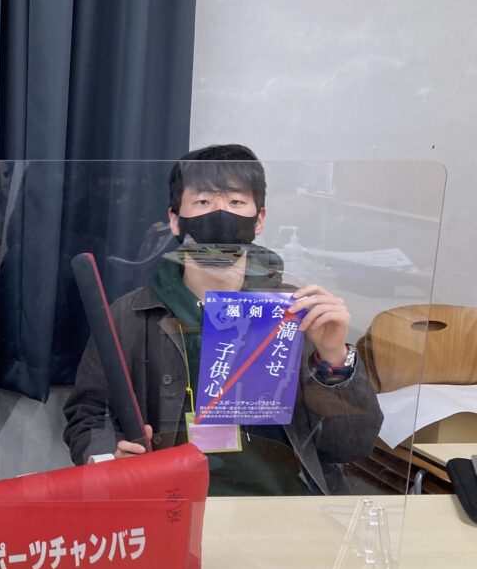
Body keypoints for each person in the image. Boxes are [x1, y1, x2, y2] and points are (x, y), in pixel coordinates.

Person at [63, 144, 382, 495]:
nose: (220, 214)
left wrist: (334, 361)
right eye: (203, 201)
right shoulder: (129, 315)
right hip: (170, 500)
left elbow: (350, 446)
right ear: (175, 219)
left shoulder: (297, 313)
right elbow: (89, 415)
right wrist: (110, 459)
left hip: (282, 501)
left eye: (235, 201)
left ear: (259, 219)